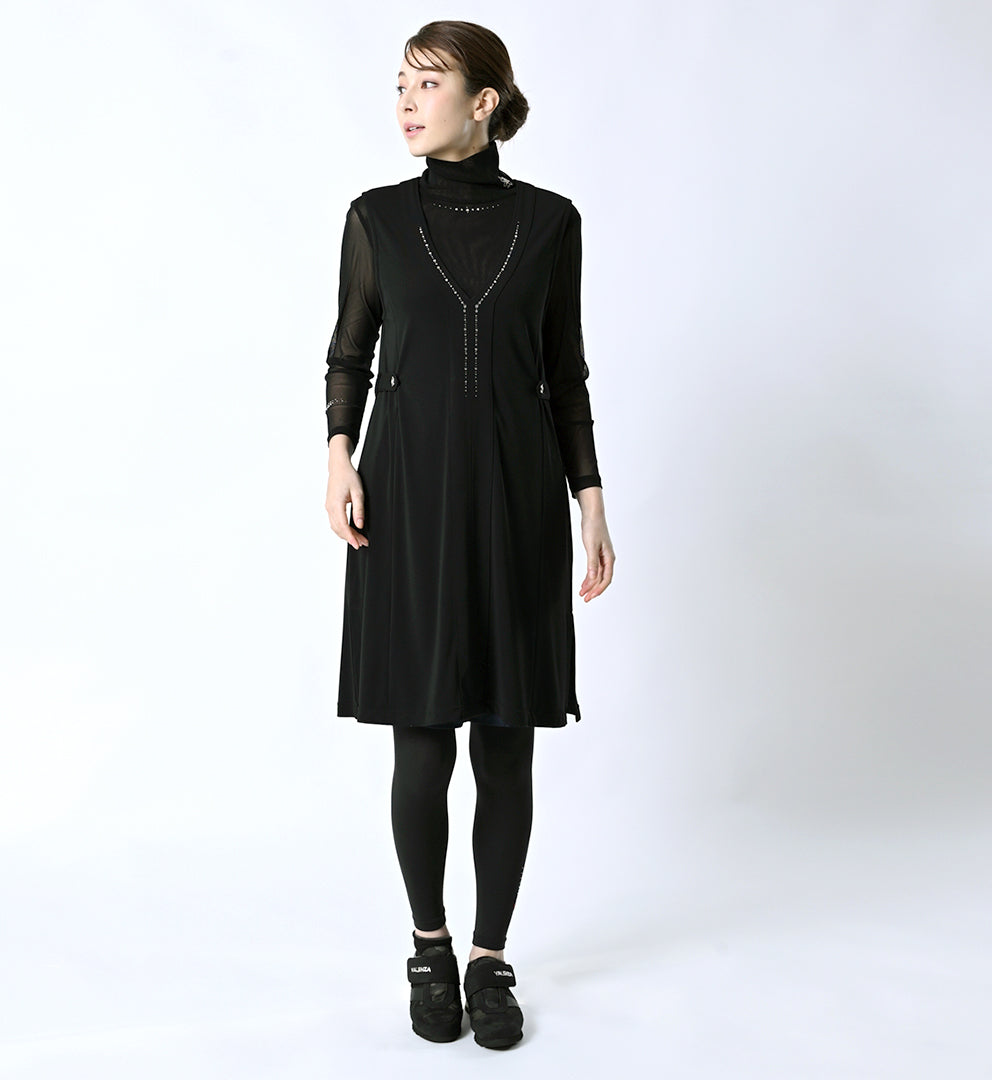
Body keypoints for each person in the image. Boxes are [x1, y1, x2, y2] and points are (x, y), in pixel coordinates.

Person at [323, 21, 614, 1050]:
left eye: (428, 83)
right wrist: (338, 455)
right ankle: (429, 946)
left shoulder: (550, 223)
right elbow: (348, 353)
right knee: (420, 738)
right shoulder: (376, 218)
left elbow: (565, 372)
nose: (406, 101)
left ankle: (491, 957)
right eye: (400, 84)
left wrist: (589, 497)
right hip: (405, 499)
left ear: (483, 101)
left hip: (517, 500)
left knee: (505, 741)